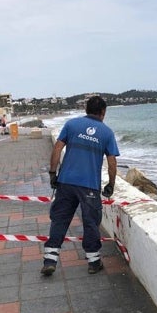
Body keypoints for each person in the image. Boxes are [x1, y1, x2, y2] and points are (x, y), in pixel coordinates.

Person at [41, 96, 120, 276]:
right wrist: (111, 184)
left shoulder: (72, 125)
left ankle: (50, 260)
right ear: (103, 112)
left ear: (86, 109)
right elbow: (112, 161)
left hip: (66, 182)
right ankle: (93, 262)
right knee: (91, 222)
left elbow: (57, 148)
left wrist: (53, 174)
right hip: (89, 186)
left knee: (60, 219)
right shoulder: (107, 133)